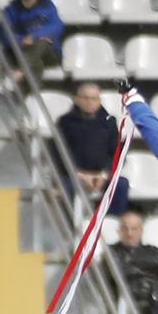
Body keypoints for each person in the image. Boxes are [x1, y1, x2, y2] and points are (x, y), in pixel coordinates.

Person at [58, 83, 131, 217]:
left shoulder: (109, 123)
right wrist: (79, 174)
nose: (89, 102)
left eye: (93, 98)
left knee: (121, 185)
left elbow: (117, 154)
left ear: (99, 101)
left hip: (101, 175)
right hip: (73, 175)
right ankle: (71, 226)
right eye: (85, 98)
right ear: (77, 99)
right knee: (64, 187)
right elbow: (58, 154)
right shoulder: (65, 122)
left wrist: (104, 174)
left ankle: (109, 222)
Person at [3, 0, 65, 78]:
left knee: (42, 41)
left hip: (49, 54)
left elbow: (57, 26)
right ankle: (30, 93)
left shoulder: (47, 6)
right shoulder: (11, 9)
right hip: (23, 51)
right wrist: (22, 40)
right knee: (36, 64)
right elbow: (5, 32)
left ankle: (22, 70)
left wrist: (33, 36)